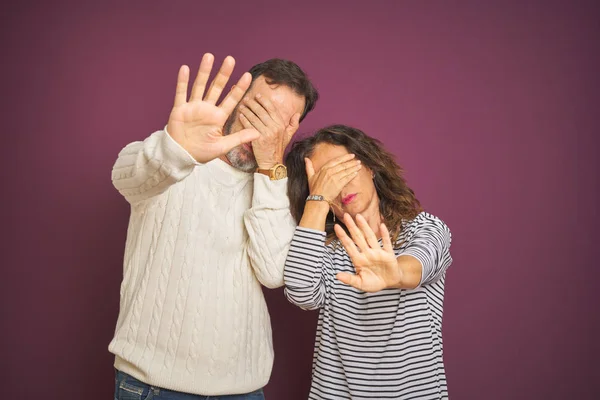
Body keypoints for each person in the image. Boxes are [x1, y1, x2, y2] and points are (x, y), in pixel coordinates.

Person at [109, 53, 318, 399]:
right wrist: (175, 150)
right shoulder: (172, 159)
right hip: (152, 386)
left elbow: (274, 272)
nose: (261, 128)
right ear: (236, 101)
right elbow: (126, 175)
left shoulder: (275, 186)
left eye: (277, 122)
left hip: (244, 389)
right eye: (257, 109)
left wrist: (270, 169)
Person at [283, 125, 453, 399]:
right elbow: (302, 293)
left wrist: (394, 273)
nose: (339, 188)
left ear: (370, 166)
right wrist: (318, 201)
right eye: (325, 182)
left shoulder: (424, 228)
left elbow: (419, 263)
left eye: (341, 170)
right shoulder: (324, 249)